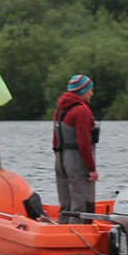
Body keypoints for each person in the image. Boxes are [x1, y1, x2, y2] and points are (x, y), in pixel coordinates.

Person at [52, 74, 100, 224]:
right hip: (76, 161)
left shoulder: (60, 109)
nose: (91, 93)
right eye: (90, 90)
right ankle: (78, 237)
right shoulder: (82, 111)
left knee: (65, 202)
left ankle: (62, 234)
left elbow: (55, 137)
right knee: (81, 203)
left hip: (60, 159)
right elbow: (84, 142)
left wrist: (58, 155)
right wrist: (91, 169)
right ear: (82, 91)